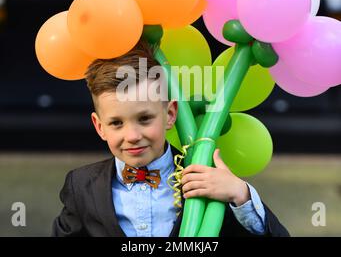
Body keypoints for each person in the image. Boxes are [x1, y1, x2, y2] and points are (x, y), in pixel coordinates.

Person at [52, 40, 289, 237]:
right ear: (99, 126)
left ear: (170, 114)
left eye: (144, 119)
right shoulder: (81, 186)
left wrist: (241, 194)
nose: (133, 136)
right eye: (116, 123)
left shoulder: (208, 180)